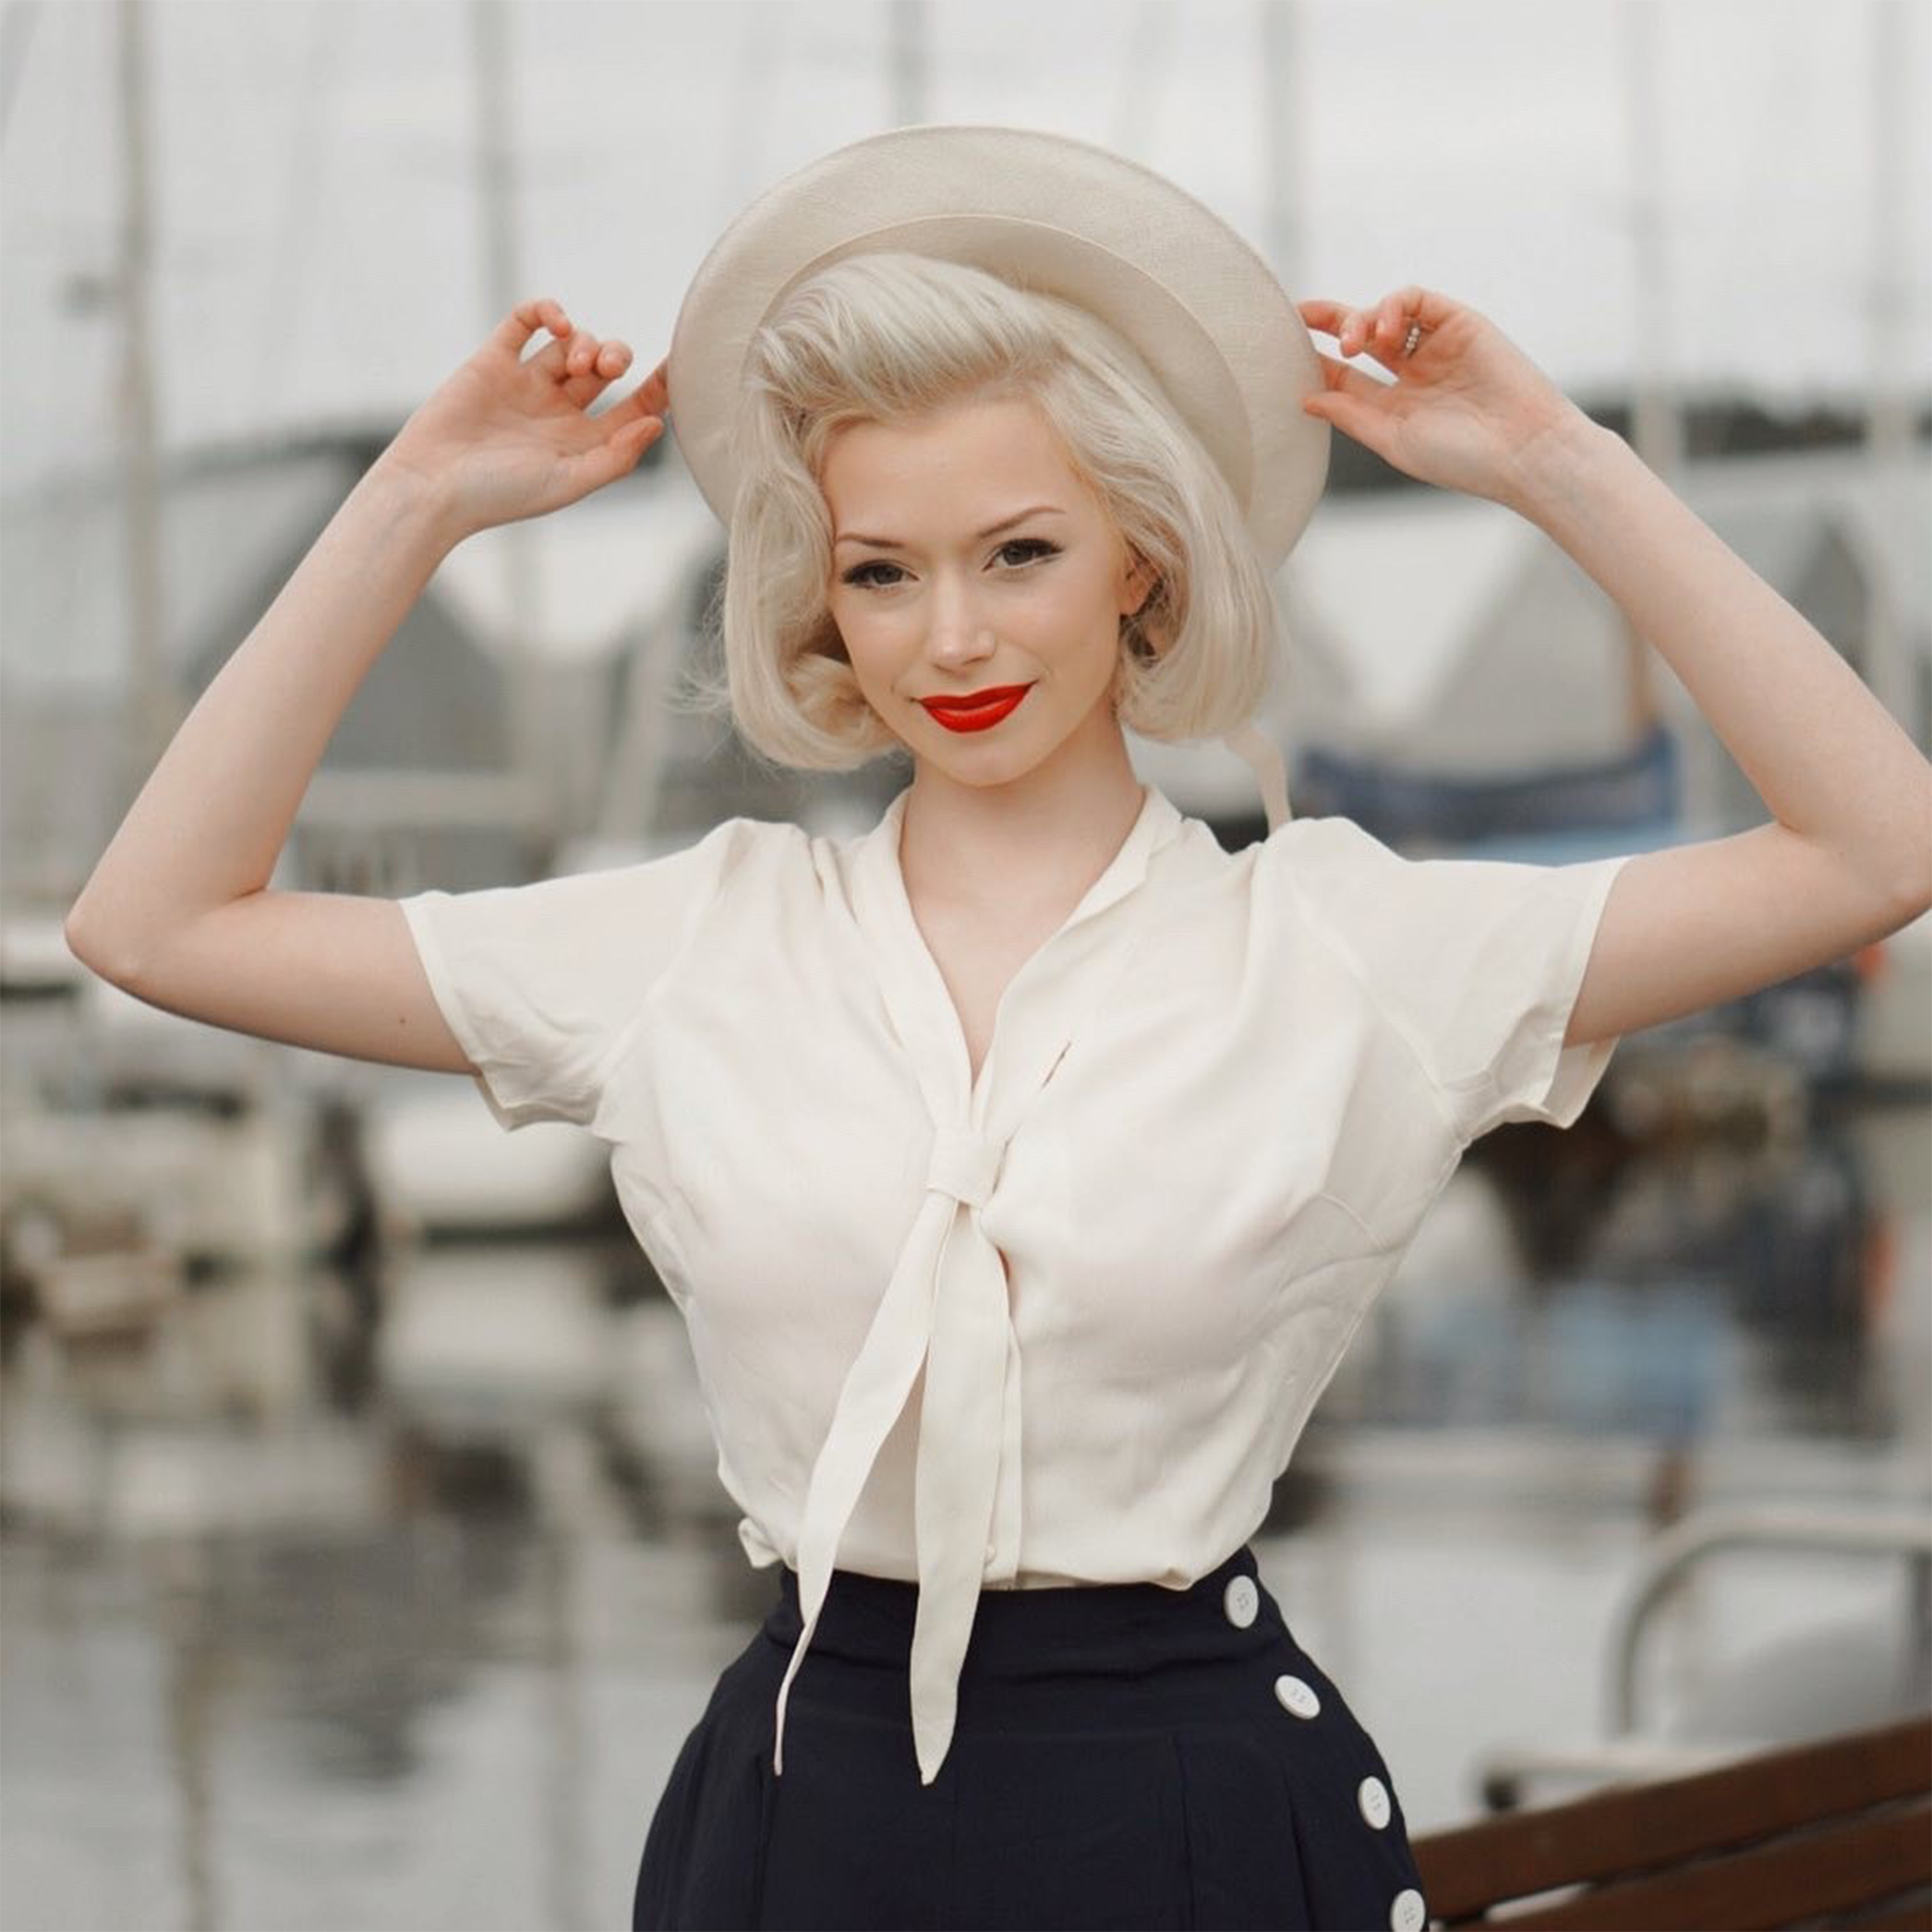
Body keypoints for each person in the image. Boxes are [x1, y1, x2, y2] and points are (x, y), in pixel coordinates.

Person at [64, 124, 1932, 1932]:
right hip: (801, 1829)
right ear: (825, 599)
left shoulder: (1350, 946)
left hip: (1195, 1819)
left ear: (1140, 555)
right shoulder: (694, 941)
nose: (949, 635)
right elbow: (156, 922)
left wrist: (1552, 463)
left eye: (1019, 552)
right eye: (882, 570)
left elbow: (1877, 845)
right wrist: (413, 505)